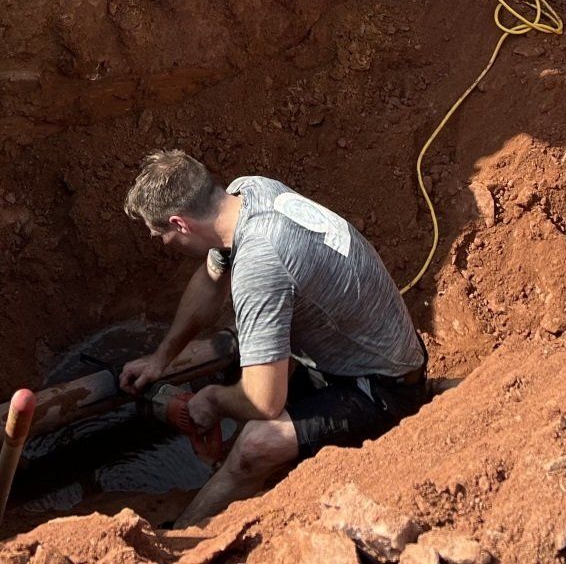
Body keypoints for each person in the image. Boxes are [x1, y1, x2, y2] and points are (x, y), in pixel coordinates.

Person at [119, 151, 428, 526]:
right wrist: (160, 359)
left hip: (381, 388)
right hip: (353, 352)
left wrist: (212, 401)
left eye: (161, 235)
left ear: (180, 224)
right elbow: (210, 278)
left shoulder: (259, 262)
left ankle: (182, 537)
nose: (163, 242)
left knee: (255, 445)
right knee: (251, 355)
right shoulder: (247, 192)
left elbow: (263, 402)